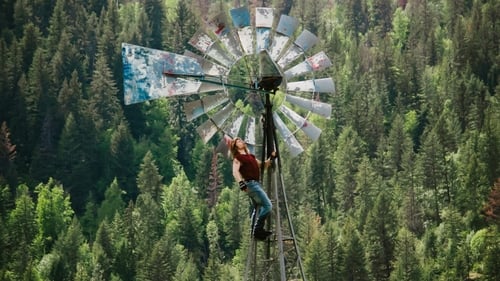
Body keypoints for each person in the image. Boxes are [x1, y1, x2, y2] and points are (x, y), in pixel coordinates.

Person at [230, 137, 276, 240]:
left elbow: (262, 165)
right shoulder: (238, 158)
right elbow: (235, 172)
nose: (241, 141)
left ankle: (254, 230)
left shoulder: (250, 156)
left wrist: (271, 158)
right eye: (238, 141)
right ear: (235, 146)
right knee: (268, 205)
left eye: (241, 140)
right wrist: (241, 183)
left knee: (258, 207)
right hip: (251, 184)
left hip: (256, 184)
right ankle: (257, 230)